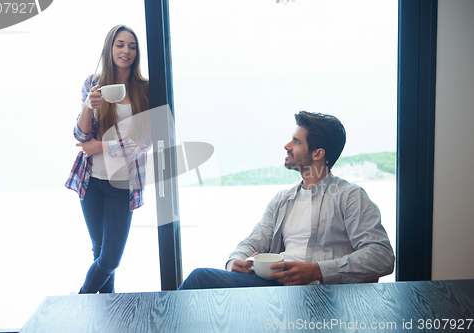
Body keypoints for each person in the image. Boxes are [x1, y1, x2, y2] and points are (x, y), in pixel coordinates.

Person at [178, 111, 394, 289]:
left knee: (200, 278)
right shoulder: (283, 200)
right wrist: (235, 261)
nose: (287, 145)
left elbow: (381, 256)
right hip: (276, 289)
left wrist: (317, 270)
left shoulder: (350, 196)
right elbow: (253, 242)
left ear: (318, 153)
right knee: (203, 285)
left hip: (325, 293)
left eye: (297, 141)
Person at [65, 25, 151, 294]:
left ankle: (80, 303)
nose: (126, 50)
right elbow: (80, 135)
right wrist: (87, 106)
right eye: (120, 44)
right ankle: (107, 315)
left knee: (110, 258)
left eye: (132, 46)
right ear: (109, 48)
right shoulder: (93, 83)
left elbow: (143, 143)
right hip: (91, 182)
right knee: (99, 254)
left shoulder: (145, 90)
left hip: (121, 183)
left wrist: (100, 146)